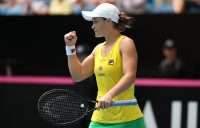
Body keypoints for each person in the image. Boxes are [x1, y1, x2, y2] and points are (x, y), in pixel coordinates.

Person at [64, 3, 145, 128]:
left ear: (108, 21)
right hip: (100, 120)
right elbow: (77, 75)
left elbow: (129, 76)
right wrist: (70, 47)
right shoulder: (97, 49)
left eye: (95, 22)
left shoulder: (126, 43)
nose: (92, 26)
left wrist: (109, 94)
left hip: (128, 120)